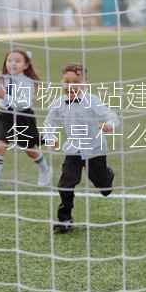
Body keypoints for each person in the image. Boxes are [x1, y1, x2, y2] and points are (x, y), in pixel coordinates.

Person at [42, 64, 120, 234]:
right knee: (66, 184)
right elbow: (49, 122)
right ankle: (64, 220)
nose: (71, 86)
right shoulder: (58, 103)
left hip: (95, 149)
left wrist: (109, 125)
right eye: (67, 82)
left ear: (85, 84)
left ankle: (108, 175)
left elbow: (111, 115)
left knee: (102, 184)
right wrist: (50, 137)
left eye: (76, 82)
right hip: (73, 150)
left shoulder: (92, 101)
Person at [0, 49, 50, 194]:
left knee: (29, 150)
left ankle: (45, 169)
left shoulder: (28, 82)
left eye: (17, 61)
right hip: (5, 116)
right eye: (9, 60)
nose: (12, 63)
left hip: (23, 116)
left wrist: (5, 96)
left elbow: (23, 103)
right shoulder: (3, 78)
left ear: (25, 66)